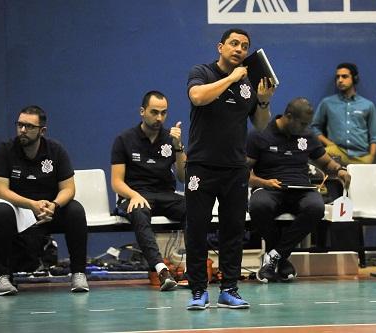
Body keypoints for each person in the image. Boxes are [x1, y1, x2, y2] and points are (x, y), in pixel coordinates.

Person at [185, 28, 275, 310]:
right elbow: (197, 97)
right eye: (234, 44)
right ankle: (199, 290)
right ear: (220, 47)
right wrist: (231, 78)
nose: (239, 49)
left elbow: (260, 124)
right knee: (197, 229)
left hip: (236, 168)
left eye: (244, 46)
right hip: (201, 165)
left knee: (233, 230)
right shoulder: (202, 71)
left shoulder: (248, 83)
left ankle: (230, 289)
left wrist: (262, 101)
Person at [247, 97, 351, 283]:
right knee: (258, 206)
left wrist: (339, 170)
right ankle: (282, 259)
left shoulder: (307, 135)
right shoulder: (260, 134)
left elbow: (326, 162)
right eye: (302, 123)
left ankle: (275, 256)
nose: (305, 128)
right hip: (269, 187)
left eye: (307, 124)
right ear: (288, 116)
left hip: (300, 188)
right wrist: (263, 182)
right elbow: (242, 172)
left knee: (316, 207)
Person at [0, 105, 88, 295]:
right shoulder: (5, 150)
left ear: (42, 131)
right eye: (20, 125)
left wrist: (54, 205)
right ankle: (1, 277)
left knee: (75, 210)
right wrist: (31, 205)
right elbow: (0, 191)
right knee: (1, 211)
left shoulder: (56, 151)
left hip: (46, 210)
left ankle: (78, 273)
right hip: (16, 207)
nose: (22, 130)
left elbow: (68, 188)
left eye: (28, 126)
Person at [110, 90, 186, 291]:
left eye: (163, 113)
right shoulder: (124, 139)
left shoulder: (170, 138)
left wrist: (178, 148)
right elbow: (116, 182)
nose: (159, 118)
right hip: (134, 194)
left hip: (165, 194)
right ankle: (161, 270)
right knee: (139, 211)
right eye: (154, 112)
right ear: (142, 112)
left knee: (194, 208)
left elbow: (182, 177)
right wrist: (134, 195)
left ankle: (193, 268)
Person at [311, 62, 376, 165]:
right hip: (336, 155)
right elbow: (314, 128)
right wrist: (330, 144)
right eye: (337, 77)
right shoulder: (327, 103)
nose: (340, 80)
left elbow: (375, 137)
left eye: (344, 76)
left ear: (355, 78)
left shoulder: (368, 105)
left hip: (361, 157)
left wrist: (371, 157)